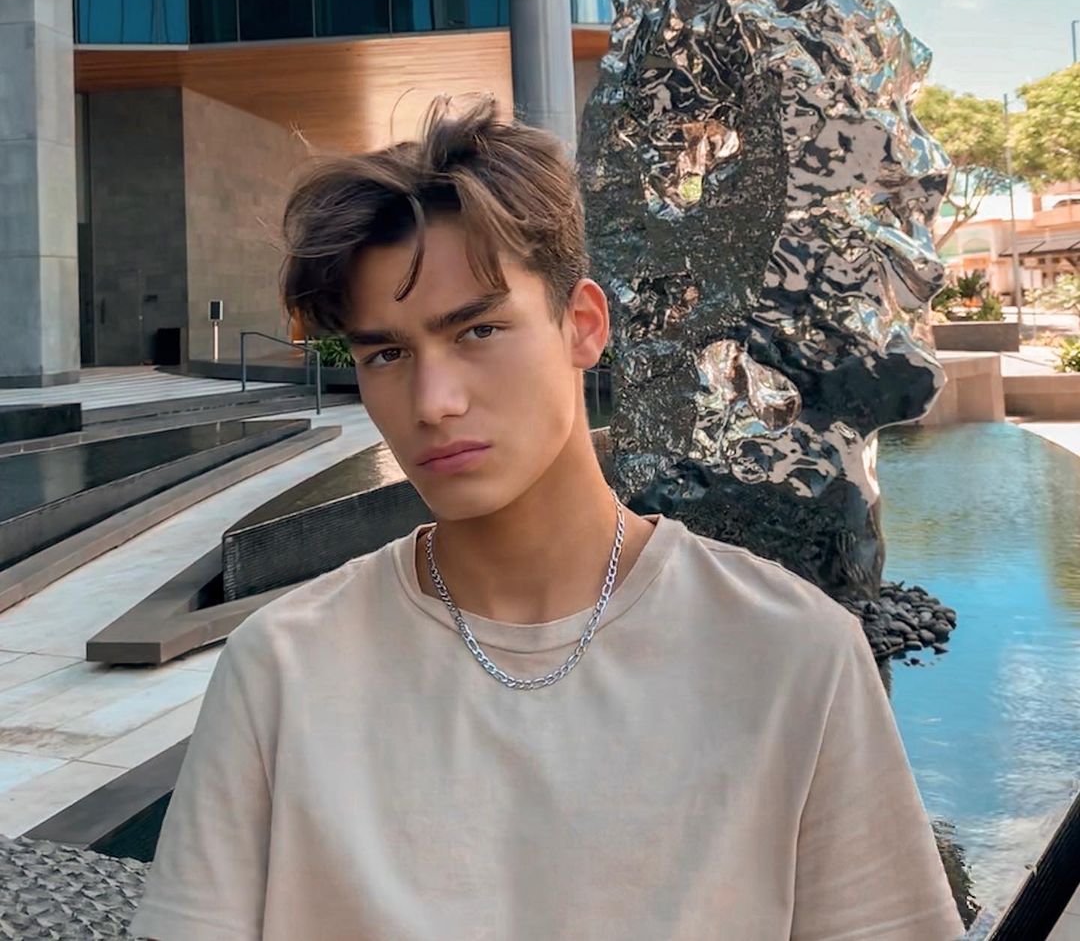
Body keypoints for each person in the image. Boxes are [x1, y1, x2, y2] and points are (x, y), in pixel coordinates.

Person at [129, 95, 964, 941]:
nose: (433, 401)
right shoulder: (282, 670)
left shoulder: (791, 657)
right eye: (387, 353)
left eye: (479, 331)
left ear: (583, 326)